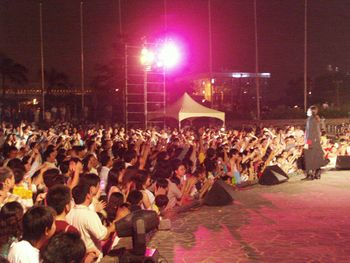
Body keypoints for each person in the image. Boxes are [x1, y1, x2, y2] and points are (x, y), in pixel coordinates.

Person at [303, 106, 327, 180]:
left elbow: (310, 132)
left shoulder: (310, 119)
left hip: (311, 141)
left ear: (311, 111)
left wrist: (307, 142)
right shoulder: (317, 119)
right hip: (316, 141)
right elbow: (319, 131)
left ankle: (310, 175)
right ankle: (317, 173)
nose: (307, 111)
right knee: (316, 157)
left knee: (309, 158)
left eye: (308, 110)